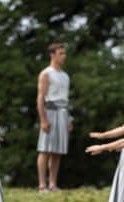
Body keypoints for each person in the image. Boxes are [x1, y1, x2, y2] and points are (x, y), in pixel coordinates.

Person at [36, 42, 71, 192]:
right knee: (45, 149)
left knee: (57, 151)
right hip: (49, 112)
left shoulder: (65, 76)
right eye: (60, 53)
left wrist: (68, 119)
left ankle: (53, 183)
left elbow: (66, 99)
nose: (64, 56)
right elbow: (40, 98)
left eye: (64, 53)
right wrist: (43, 119)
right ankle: (42, 184)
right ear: (52, 55)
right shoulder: (46, 73)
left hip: (62, 113)